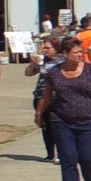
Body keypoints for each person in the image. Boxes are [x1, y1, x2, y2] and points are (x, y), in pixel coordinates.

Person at [36, 34, 91, 181]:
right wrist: (39, 113)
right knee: (68, 157)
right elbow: (46, 95)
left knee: (87, 158)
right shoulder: (54, 73)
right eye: (77, 52)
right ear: (65, 53)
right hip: (61, 121)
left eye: (82, 52)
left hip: (86, 121)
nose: (81, 55)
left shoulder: (88, 70)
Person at [26, 33, 65, 162]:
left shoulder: (63, 61)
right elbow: (28, 73)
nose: (44, 50)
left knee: (57, 126)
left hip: (56, 97)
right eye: (44, 48)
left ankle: (61, 154)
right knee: (45, 125)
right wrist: (33, 64)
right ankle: (50, 153)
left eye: (48, 48)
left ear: (56, 48)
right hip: (40, 96)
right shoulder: (42, 60)